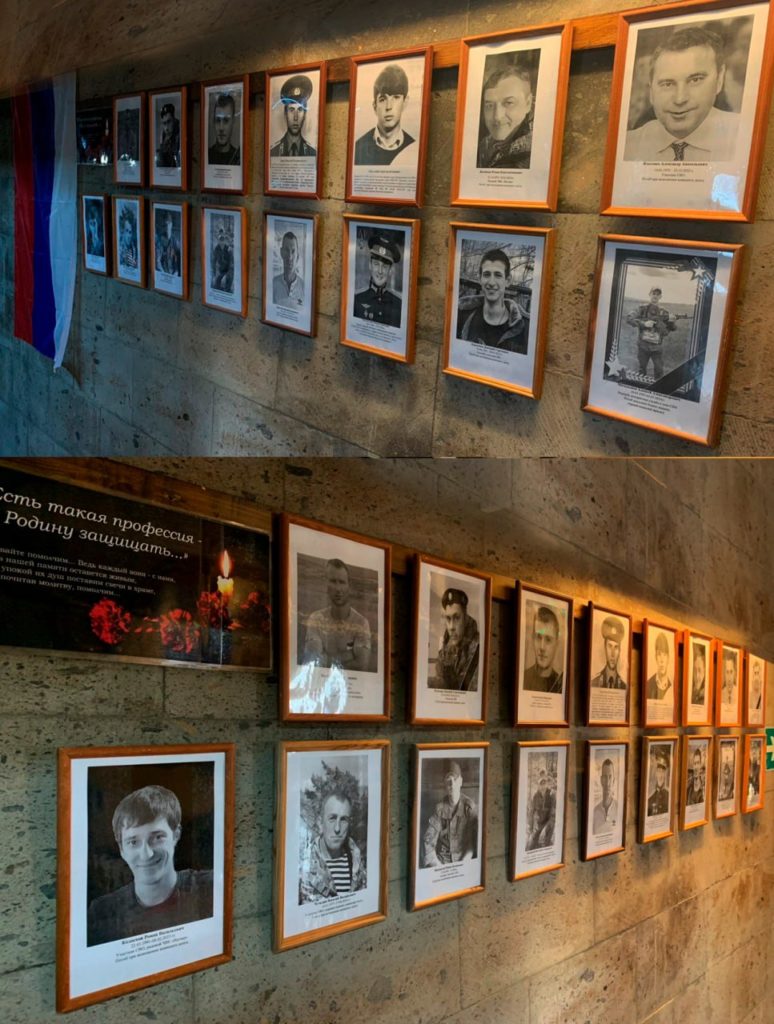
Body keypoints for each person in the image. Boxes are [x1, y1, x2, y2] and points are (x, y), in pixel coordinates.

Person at [87, 784, 213, 946]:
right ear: (121, 849)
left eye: (157, 837)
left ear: (176, 835)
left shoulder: (210, 887)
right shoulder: (102, 913)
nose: (146, 854)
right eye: (133, 842)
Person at [624, 27, 740, 163]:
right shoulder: (628, 146)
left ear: (719, 79)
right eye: (667, 84)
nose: (680, 99)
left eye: (695, 80)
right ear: (651, 90)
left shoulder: (743, 137)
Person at [302, 558, 372, 671]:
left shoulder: (361, 623)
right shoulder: (316, 619)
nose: (338, 589)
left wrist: (326, 658)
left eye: (342, 582)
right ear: (326, 584)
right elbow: (314, 660)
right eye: (333, 581)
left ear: (349, 585)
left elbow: (362, 664)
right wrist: (349, 657)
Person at [299, 784, 366, 902]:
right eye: (332, 818)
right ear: (320, 822)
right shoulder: (304, 865)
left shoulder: (357, 862)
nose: (337, 828)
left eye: (344, 820)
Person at [456, 247, 529, 352]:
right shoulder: (462, 314)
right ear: (480, 279)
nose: (491, 282)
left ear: (507, 280)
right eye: (486, 275)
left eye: (498, 275)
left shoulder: (524, 327)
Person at [354, 64, 415, 165]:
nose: (388, 107)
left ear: (405, 102)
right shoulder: (358, 148)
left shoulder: (413, 147)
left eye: (396, 97)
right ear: (375, 106)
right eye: (382, 99)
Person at [477, 65, 533, 169]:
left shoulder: (532, 153)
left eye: (509, 103)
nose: (497, 117)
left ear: (528, 104)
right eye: (489, 105)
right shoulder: (484, 146)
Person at [422, 761, 478, 866]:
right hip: (442, 862)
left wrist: (462, 866)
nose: (452, 784)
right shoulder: (439, 809)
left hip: (464, 861)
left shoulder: (469, 808)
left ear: (460, 781)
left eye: (455, 779)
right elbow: (428, 842)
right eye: (448, 780)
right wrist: (438, 867)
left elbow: (473, 843)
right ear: (444, 784)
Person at [432, 586, 480, 691]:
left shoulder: (478, 649)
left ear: (465, 618)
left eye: (457, 618)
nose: (451, 627)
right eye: (448, 618)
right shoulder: (444, 653)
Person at [626, 287, 677, 378]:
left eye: (658, 294)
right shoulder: (642, 309)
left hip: (657, 348)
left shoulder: (664, 312)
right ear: (649, 294)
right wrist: (644, 323)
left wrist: (672, 322)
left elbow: (673, 328)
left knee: (659, 371)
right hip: (643, 346)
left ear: (660, 297)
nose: (655, 296)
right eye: (653, 294)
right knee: (641, 371)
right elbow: (629, 318)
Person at [353, 233, 402, 328]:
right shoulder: (357, 299)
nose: (380, 271)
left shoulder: (399, 304)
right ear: (370, 265)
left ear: (390, 271)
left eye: (385, 266)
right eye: (376, 264)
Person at [270, 74, 316, 157]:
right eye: (291, 110)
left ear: (305, 114)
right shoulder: (274, 152)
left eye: (300, 110)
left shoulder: (312, 153)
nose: (295, 117)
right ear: (285, 113)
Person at [523, 605, 562, 693]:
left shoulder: (560, 684)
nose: (542, 647)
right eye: (538, 637)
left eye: (548, 639)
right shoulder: (523, 679)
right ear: (533, 638)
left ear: (557, 644)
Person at [590, 616, 627, 689]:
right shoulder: (594, 683)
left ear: (619, 651)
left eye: (616, 647)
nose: (612, 654)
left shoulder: (624, 686)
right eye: (610, 646)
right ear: (605, 648)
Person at [272, 231, 305, 306]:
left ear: (297, 256)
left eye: (293, 251)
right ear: (281, 252)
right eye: (286, 250)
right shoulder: (273, 284)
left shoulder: (304, 288)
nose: (290, 257)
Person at [208, 92, 240, 165]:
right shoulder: (207, 155)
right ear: (213, 122)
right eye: (218, 120)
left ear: (233, 122)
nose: (221, 128)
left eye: (226, 120)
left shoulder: (238, 158)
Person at [526, 770, 555, 850]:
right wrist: (530, 828)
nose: (543, 785)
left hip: (548, 823)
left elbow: (553, 814)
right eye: (541, 783)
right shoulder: (535, 796)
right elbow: (531, 812)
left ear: (547, 783)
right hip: (538, 824)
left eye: (544, 782)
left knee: (543, 842)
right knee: (530, 845)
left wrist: (546, 828)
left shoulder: (551, 794)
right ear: (538, 784)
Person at [592, 757, 618, 834]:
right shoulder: (594, 812)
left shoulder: (619, 809)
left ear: (614, 780)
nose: (607, 782)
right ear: (601, 780)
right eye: (605, 777)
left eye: (610, 777)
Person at [646, 631, 673, 701]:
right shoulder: (648, 685)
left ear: (668, 658)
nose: (662, 660)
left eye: (664, 655)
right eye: (659, 654)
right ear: (655, 657)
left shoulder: (671, 687)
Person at [156, 101, 180, 168]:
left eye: (169, 122)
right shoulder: (164, 135)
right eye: (164, 123)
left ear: (174, 120)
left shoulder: (180, 133)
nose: (166, 128)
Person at [156, 210, 180, 276]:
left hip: (173, 274)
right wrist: (163, 274)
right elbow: (157, 261)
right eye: (165, 224)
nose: (167, 226)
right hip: (162, 274)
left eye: (169, 223)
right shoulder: (159, 241)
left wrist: (176, 272)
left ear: (171, 224)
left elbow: (178, 260)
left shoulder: (175, 241)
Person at [647, 748, 670, 816]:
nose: (660, 775)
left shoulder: (669, 796)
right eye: (659, 771)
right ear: (656, 773)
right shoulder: (650, 799)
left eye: (663, 771)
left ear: (665, 773)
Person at [210, 226, 233, 291]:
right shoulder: (216, 249)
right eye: (220, 239)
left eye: (223, 239)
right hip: (220, 270)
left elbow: (231, 263)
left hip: (228, 270)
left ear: (225, 240)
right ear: (218, 240)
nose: (221, 241)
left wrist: (227, 274)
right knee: (216, 285)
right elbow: (213, 261)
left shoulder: (228, 249)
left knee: (227, 285)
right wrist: (214, 274)